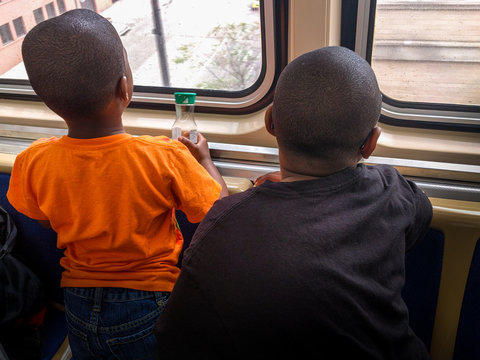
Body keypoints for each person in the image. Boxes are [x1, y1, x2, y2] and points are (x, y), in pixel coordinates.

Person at [154, 46, 433, 359]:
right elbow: (422, 216)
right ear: (371, 143)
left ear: (271, 121)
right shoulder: (391, 189)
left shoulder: (223, 227)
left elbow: (174, 341)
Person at [7, 9, 228, 360]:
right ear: (124, 87)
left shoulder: (33, 160)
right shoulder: (164, 156)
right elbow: (217, 211)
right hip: (148, 299)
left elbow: (45, 219)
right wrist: (204, 160)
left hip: (76, 302)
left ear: (46, 99)